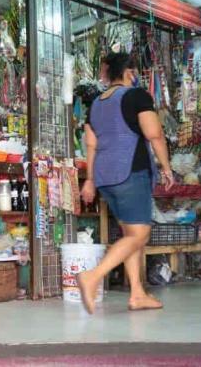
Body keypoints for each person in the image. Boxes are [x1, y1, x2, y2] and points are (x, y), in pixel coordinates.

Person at [76, 52, 174, 315]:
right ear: (129, 72)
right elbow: (155, 134)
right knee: (140, 234)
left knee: (131, 235)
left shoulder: (95, 104)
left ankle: (137, 294)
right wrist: (166, 167)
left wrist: (91, 181)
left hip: (106, 177)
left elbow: (91, 145)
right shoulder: (137, 96)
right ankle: (92, 276)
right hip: (130, 172)